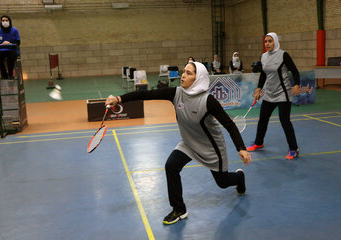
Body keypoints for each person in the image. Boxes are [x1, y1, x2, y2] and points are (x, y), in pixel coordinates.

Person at [105, 62, 251, 225]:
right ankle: (179, 209)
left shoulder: (208, 101)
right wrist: (119, 99)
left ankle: (239, 178)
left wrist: (241, 148)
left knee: (222, 183)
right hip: (188, 143)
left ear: (198, 78)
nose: (183, 75)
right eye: (184, 72)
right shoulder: (176, 93)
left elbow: (229, 125)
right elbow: (147, 95)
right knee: (171, 166)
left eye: (189, 73)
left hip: (211, 149)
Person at [246, 32, 300, 160]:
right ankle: (258, 143)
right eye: (265, 41)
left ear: (275, 41)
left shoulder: (283, 55)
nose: (267, 43)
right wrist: (259, 89)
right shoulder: (264, 57)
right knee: (262, 119)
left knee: (284, 120)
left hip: (283, 94)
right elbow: (263, 75)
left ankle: (294, 149)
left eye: (270, 41)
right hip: (269, 94)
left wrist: (297, 84)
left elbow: (295, 70)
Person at [0, 15, 20, 79]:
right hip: (1, 50)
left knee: (11, 57)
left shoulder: (15, 30)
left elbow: (18, 42)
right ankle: (4, 74)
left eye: (6, 20)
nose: (4, 22)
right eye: (3, 21)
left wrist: (10, 43)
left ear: (9, 21)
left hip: (11, 50)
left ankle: (10, 74)